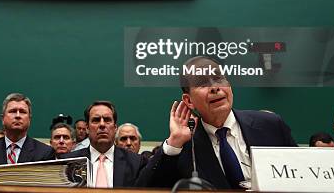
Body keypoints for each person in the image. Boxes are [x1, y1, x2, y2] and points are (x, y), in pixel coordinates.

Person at [137, 56, 297, 190]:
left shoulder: (270, 125)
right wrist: (174, 143)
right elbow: (144, 189)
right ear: (189, 100)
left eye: (219, 79)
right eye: (202, 83)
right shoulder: (185, 147)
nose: (215, 88)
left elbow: (301, 177)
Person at [61, 101, 147, 188]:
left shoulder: (136, 162)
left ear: (115, 127)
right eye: (96, 120)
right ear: (87, 128)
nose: (102, 124)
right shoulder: (67, 162)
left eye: (107, 120)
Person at [0, 93, 54, 171]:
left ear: (29, 119)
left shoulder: (45, 153)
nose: (18, 116)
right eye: (13, 111)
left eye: (22, 112)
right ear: (2, 119)